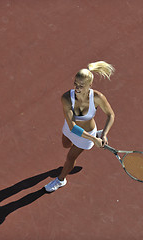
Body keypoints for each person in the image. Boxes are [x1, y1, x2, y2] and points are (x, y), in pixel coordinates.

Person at [45, 61, 115, 192]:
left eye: (81, 86)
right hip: (71, 128)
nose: (77, 88)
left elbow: (110, 115)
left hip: (86, 134)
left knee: (70, 158)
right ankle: (96, 135)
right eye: (75, 84)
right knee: (65, 145)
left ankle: (60, 180)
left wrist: (104, 134)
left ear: (90, 85)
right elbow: (72, 127)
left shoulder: (98, 97)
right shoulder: (66, 98)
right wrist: (95, 139)